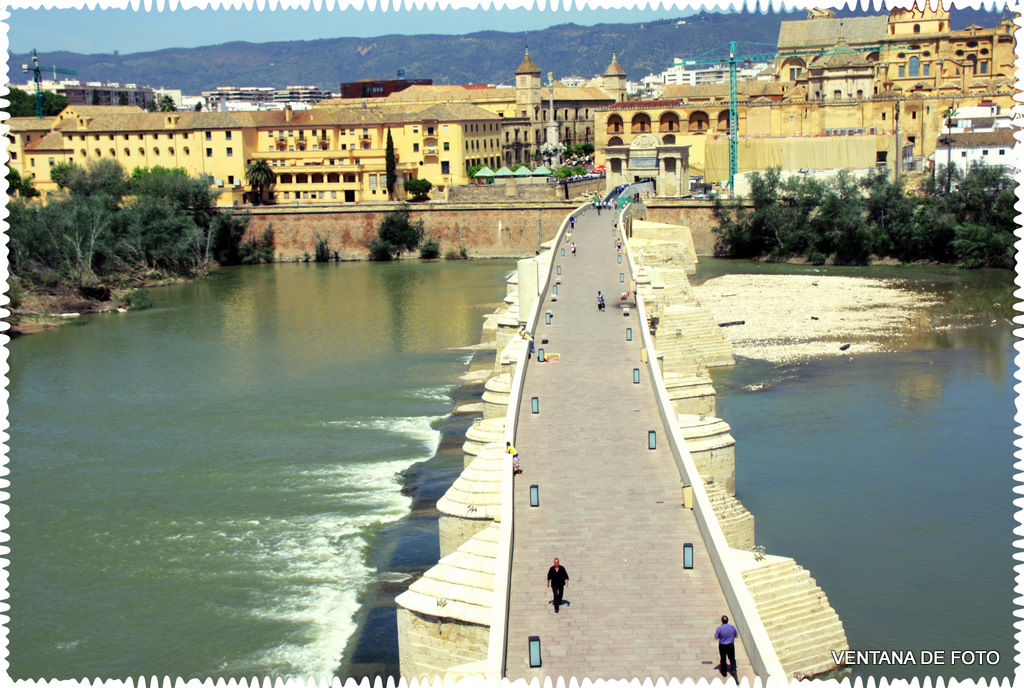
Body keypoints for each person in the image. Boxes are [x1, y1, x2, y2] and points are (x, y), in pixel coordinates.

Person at [714, 615, 739, 680]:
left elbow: (715, 638)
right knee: (732, 658)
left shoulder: (719, 628)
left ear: (722, 621)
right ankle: (733, 670)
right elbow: (736, 636)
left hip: (723, 646)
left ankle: (724, 672)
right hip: (730, 645)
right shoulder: (732, 627)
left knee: (723, 658)